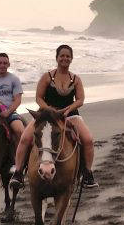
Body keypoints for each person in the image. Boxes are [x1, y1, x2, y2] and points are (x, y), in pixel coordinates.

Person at [10, 44, 98, 188]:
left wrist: (69, 109)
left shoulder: (75, 79)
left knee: (88, 139)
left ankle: (87, 174)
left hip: (69, 115)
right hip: (46, 116)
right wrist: (50, 110)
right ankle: (18, 173)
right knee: (25, 138)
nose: (65, 58)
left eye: (68, 56)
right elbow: (38, 98)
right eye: (62, 56)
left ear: (71, 59)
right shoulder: (47, 76)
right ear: (57, 58)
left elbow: (80, 100)